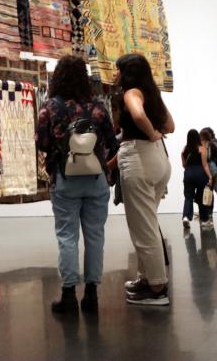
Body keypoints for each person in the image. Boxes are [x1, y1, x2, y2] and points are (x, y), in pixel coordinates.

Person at [36, 56, 119, 314]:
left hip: (65, 179)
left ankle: (69, 294)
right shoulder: (98, 107)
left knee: (67, 236)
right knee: (95, 236)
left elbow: (42, 143)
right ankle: (92, 294)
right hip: (96, 179)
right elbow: (112, 142)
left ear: (58, 77)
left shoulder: (51, 107)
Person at [114, 54, 175, 306]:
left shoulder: (131, 93)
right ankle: (147, 277)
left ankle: (157, 288)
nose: (115, 75)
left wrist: (150, 133)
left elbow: (138, 115)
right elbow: (171, 126)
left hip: (139, 158)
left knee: (143, 227)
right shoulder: (154, 94)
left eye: (118, 70)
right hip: (159, 160)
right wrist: (156, 134)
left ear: (127, 73)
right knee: (147, 224)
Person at [181, 129, 212, 229]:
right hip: (200, 173)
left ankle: (186, 217)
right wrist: (210, 176)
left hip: (188, 173)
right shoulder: (202, 149)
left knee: (188, 196)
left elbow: (184, 165)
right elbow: (205, 165)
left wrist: (189, 169)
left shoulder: (184, 149)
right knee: (201, 196)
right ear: (198, 137)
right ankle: (204, 220)